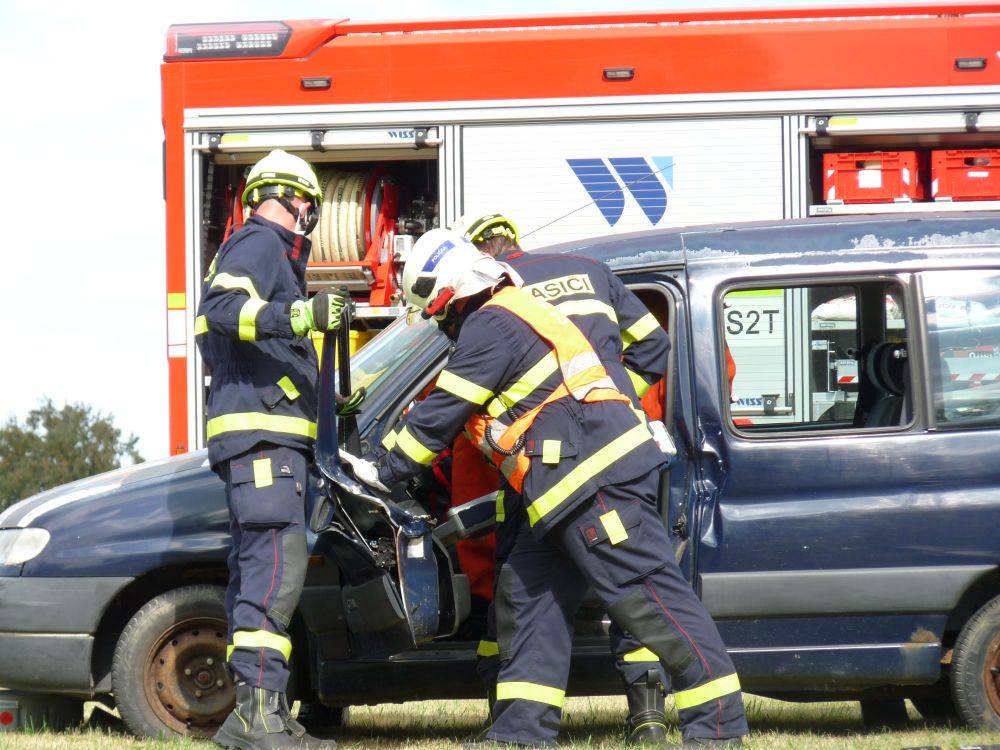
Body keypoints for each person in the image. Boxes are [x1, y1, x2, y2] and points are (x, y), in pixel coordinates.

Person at [351, 230, 748, 748]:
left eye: (438, 314)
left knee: (648, 596)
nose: (442, 325)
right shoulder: (509, 310)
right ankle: (520, 733)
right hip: (558, 490)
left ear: (449, 296)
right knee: (528, 598)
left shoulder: (490, 322)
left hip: (594, 482)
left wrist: (382, 470)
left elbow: (439, 414)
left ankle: (718, 726)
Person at [448, 212, 675, 743]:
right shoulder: (589, 270)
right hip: (622, 453)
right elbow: (655, 349)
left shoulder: (496, 303)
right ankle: (647, 716)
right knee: (630, 580)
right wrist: (613, 398)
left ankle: (512, 717)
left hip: (543, 467)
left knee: (525, 587)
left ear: (478, 260)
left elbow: (471, 395)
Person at [195, 149, 343, 750]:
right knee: (274, 573)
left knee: (260, 575)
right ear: (297, 201)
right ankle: (259, 719)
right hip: (264, 443)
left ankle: (260, 717)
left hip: (265, 440)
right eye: (309, 205)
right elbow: (220, 311)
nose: (309, 216)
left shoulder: (264, 252)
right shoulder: (259, 241)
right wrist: (299, 316)